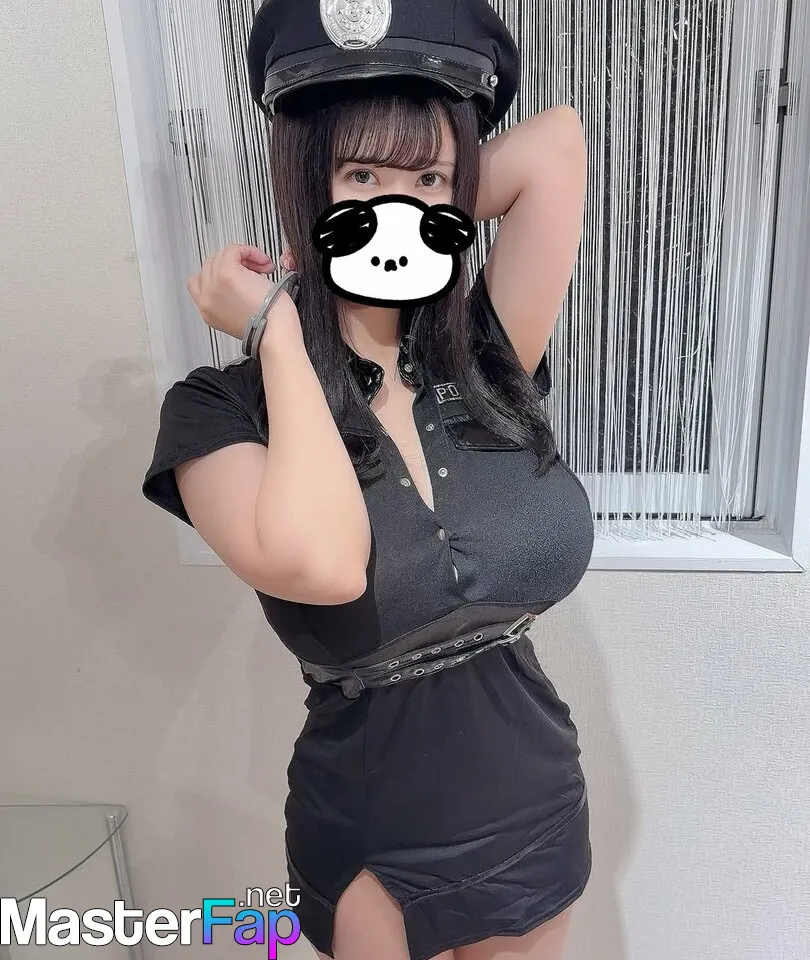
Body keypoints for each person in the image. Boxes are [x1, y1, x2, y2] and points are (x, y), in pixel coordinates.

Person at [142, 2, 593, 958]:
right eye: (358, 175)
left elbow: (555, 147)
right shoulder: (220, 411)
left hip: (534, 806)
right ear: (306, 183)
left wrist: (421, 192)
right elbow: (326, 565)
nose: (399, 211)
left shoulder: (485, 354)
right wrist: (275, 328)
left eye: (430, 181)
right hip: (372, 836)